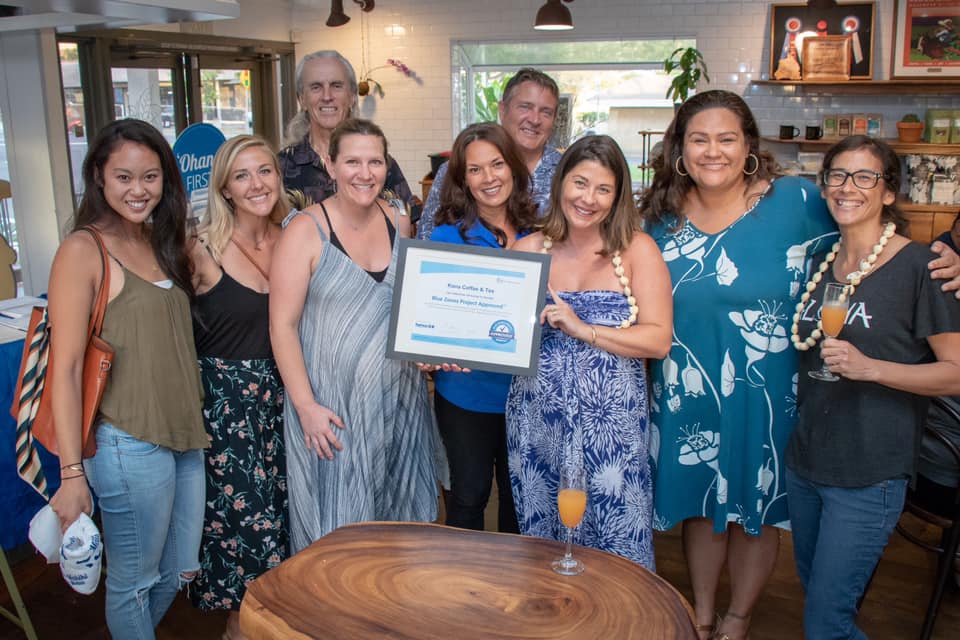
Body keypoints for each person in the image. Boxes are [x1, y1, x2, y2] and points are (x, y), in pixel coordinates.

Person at [640, 90, 960, 640]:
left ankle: (738, 617)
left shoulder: (795, 200)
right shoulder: (658, 216)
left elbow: (868, 229)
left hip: (773, 388)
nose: (712, 151)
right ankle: (702, 611)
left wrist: (946, 254)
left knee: (758, 509)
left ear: (748, 147)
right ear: (680, 149)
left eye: (726, 138)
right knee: (700, 505)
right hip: (686, 386)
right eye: (699, 139)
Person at [786, 135, 960, 639]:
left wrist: (873, 368)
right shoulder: (823, 261)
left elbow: (954, 371)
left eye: (865, 177)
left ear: (889, 192)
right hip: (808, 460)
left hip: (870, 471)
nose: (848, 187)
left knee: (825, 622)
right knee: (815, 591)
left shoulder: (923, 267)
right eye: (838, 175)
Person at [46, 119, 206, 639]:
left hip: (184, 434)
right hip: (126, 443)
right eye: (123, 177)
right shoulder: (83, 249)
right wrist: (72, 475)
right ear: (98, 178)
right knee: (135, 585)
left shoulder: (163, 241)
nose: (138, 190)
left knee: (178, 570)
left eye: (151, 177)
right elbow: (66, 369)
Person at [270, 118, 438, 553]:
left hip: (399, 401)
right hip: (333, 409)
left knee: (398, 532)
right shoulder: (304, 231)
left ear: (387, 166)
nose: (365, 173)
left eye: (375, 162)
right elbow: (282, 326)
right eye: (353, 161)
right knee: (340, 535)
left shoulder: (400, 221)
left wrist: (425, 350)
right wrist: (305, 407)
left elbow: (407, 308)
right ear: (331, 164)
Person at [507, 135, 672, 570]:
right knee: (544, 545)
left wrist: (583, 330)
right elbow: (499, 332)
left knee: (619, 539)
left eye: (603, 189)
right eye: (580, 183)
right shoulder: (526, 249)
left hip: (612, 428)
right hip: (539, 421)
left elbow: (658, 339)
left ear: (618, 196)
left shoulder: (637, 250)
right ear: (561, 183)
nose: (589, 199)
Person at [188, 135, 288, 640]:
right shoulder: (200, 248)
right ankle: (239, 630)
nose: (256, 184)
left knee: (286, 523)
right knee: (243, 531)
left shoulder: (294, 235)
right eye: (243, 175)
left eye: (265, 171)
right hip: (227, 411)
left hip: (285, 400)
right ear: (225, 187)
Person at [429, 122, 538, 533]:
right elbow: (429, 323)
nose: (489, 178)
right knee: (468, 496)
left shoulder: (543, 233)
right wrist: (426, 352)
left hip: (527, 394)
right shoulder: (445, 239)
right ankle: (462, 593)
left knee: (521, 501)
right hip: (466, 393)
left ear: (513, 167)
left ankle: (513, 594)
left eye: (497, 164)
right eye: (475, 170)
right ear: (463, 180)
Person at [417, 68, 562, 240]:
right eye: (525, 107)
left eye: (546, 112)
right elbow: (426, 241)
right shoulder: (451, 171)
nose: (535, 120)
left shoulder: (566, 172)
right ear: (502, 110)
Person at [279, 50, 414, 210]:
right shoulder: (281, 167)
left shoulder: (382, 164)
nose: (327, 96)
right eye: (316, 87)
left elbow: (405, 225)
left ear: (352, 97)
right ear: (302, 99)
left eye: (336, 86)